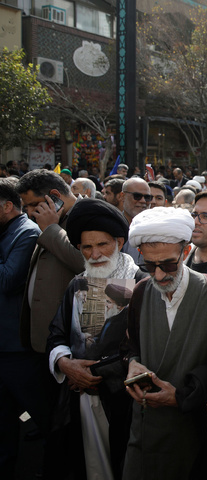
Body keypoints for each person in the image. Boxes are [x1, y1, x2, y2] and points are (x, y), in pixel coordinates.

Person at [123, 207, 207, 480]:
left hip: (193, 429)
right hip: (145, 427)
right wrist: (133, 364)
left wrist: (181, 396)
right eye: (149, 266)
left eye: (168, 265)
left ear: (185, 252)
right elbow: (132, 346)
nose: (158, 275)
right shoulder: (141, 292)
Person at [47, 199, 146, 480]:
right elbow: (60, 335)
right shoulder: (80, 283)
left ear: (119, 242)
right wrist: (65, 364)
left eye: (102, 244)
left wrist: (92, 371)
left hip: (123, 401)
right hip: (81, 399)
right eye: (87, 247)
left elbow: (141, 346)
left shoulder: (140, 283)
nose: (95, 254)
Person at [0, 178, 46, 476]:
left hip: (16, 348)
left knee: (40, 416)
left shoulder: (26, 232)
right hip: (3, 346)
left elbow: (7, 279)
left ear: (6, 206)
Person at [17, 170, 85, 354]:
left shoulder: (87, 215)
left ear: (54, 196)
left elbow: (84, 263)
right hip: (45, 340)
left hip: (70, 341)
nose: (30, 213)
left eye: (33, 205)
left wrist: (51, 229)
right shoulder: (50, 219)